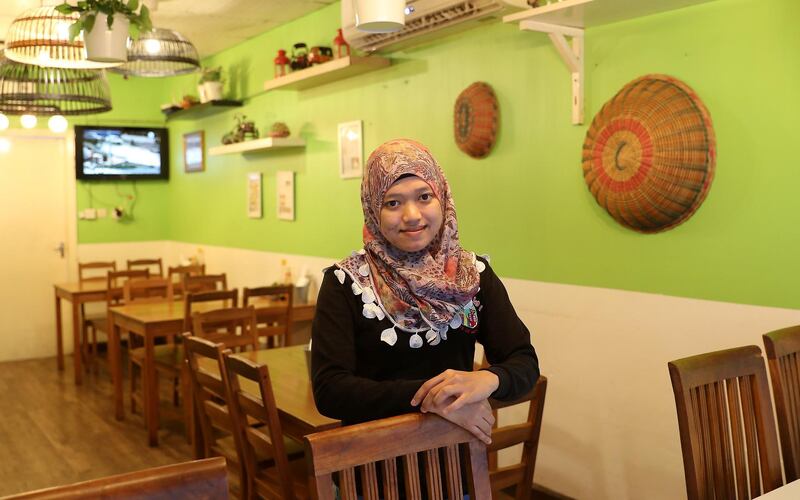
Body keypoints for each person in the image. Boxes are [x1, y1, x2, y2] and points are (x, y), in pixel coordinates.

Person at [311, 138, 539, 445]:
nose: (412, 215)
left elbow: (523, 362)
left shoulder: (472, 275)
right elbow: (331, 391)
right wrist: (437, 399)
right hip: (371, 468)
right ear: (373, 210)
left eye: (424, 197)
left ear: (442, 198)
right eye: (393, 203)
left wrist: (487, 379)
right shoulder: (345, 282)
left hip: (454, 466)